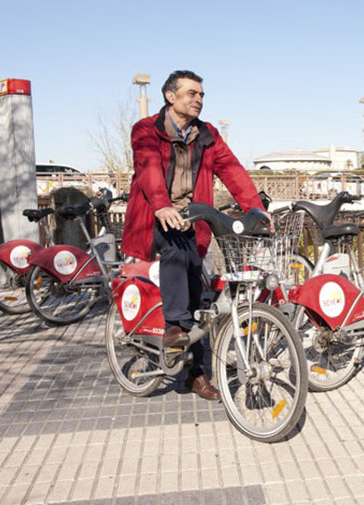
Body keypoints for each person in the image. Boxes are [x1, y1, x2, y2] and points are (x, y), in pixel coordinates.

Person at [121, 70, 264, 400]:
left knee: (202, 295)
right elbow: (149, 168)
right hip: (154, 217)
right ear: (171, 97)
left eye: (201, 95)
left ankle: (194, 373)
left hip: (193, 220)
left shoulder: (207, 134)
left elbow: (232, 170)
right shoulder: (147, 130)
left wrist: (256, 210)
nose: (198, 99)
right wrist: (161, 205)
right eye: (191, 93)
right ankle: (173, 326)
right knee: (175, 251)